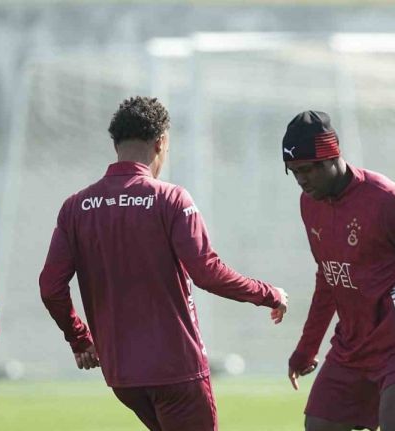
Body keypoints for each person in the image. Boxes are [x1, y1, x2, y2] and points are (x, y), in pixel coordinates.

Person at [39, 96, 288, 431]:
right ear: (160, 142)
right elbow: (207, 272)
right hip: (176, 371)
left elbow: (50, 287)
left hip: (123, 376)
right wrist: (268, 293)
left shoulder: (75, 207)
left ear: (116, 145)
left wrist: (79, 337)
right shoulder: (170, 199)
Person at [282, 111, 395, 431]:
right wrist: (306, 349)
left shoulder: (388, 199)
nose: (301, 180)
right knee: (319, 425)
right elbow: (329, 278)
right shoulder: (309, 203)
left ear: (331, 157)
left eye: (307, 169)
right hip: (352, 345)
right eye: (294, 171)